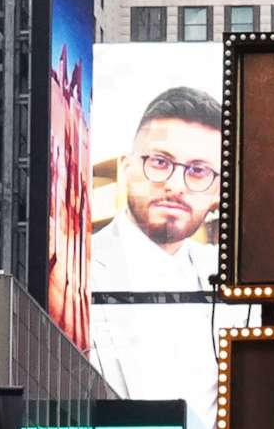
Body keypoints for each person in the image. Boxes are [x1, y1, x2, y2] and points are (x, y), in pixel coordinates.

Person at [91, 86, 223, 294]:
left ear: (218, 191)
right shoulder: (75, 267)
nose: (176, 186)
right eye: (160, 162)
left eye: (198, 170)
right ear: (127, 168)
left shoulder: (228, 277)